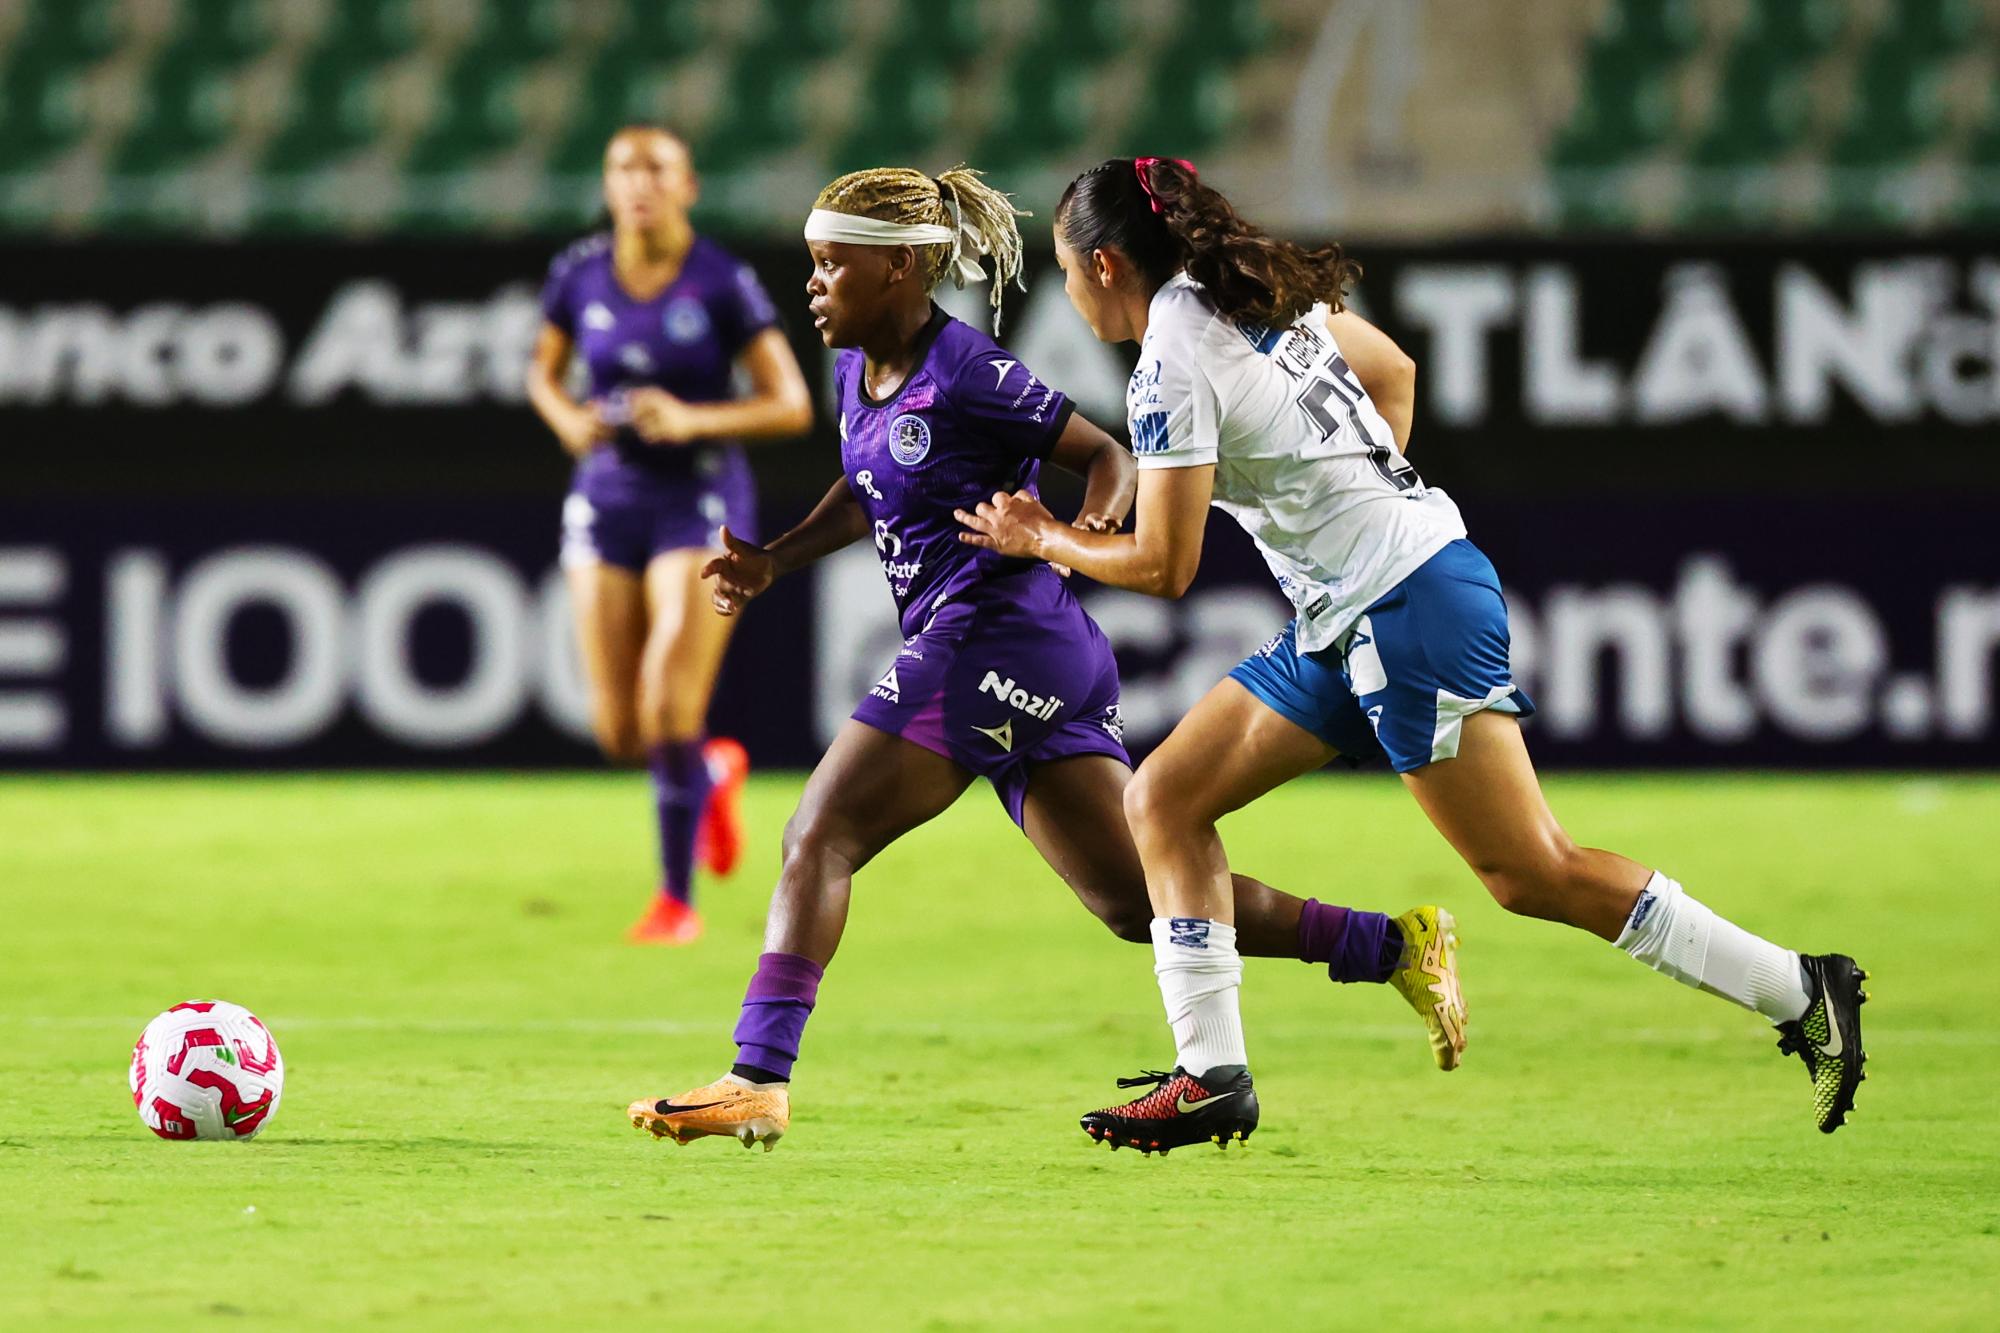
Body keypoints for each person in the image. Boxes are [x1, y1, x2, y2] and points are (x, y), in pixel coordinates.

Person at [958, 157, 1868, 1143]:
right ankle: (1210, 1072)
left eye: (1063, 270)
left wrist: (1041, 535)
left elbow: (1164, 564)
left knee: (1531, 871)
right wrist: (1363, 510)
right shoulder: (1248, 288)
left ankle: (1797, 987)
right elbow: (1393, 371)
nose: (1067, 290)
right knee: (1164, 801)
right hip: (1361, 605)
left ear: (1102, 265)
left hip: (1402, 609)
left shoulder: (1171, 358)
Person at [627, 164, 1464, 1154]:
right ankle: (1392, 945)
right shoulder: (857, 369)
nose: (811, 283)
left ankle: (757, 1077)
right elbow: (864, 485)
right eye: (812, 262)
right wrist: (775, 558)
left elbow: (1108, 455)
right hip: (1023, 652)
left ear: (899, 271)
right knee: (1132, 900)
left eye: (831, 264)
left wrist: (1075, 534)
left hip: (994, 635)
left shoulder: (968, 369)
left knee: (821, 832)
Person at [526, 126, 813, 945]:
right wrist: (566, 419)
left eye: (657, 169)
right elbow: (542, 371)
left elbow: (790, 403)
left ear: (688, 186)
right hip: (607, 495)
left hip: (700, 500)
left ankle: (675, 902)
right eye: (624, 168)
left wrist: (692, 419)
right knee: (621, 731)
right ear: (607, 185)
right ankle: (712, 771)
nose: (638, 183)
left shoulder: (720, 280)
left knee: (666, 704)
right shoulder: (579, 272)